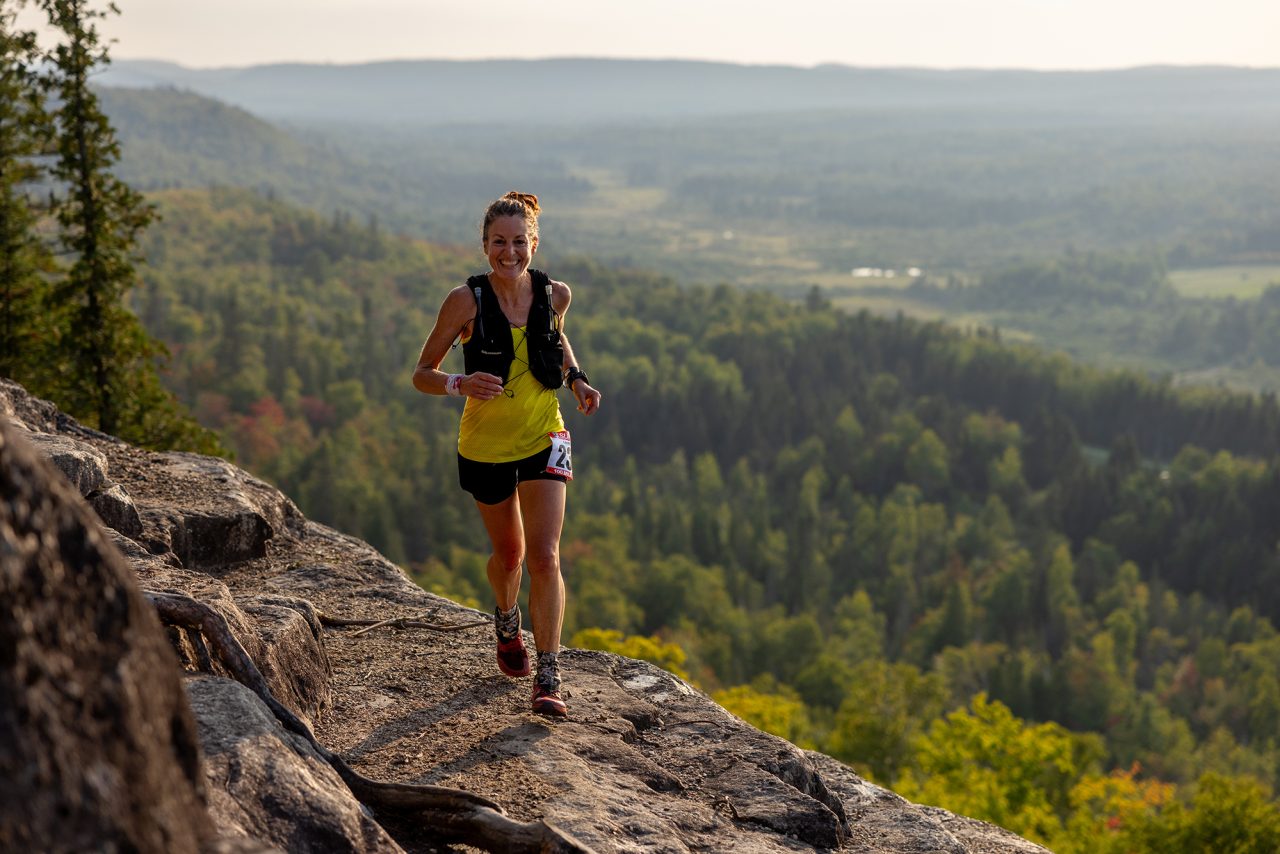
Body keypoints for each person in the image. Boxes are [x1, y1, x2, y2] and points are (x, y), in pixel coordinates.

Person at [413, 191, 602, 717]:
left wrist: (577, 380)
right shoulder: (465, 301)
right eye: (499, 242)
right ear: (485, 245)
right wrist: (459, 382)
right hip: (485, 445)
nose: (509, 252)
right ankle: (504, 617)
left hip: (546, 436)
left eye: (520, 242)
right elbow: (421, 373)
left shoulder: (555, 294)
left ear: (534, 244)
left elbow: (556, 341)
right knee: (511, 557)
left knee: (545, 556)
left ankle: (549, 674)